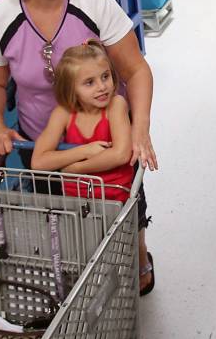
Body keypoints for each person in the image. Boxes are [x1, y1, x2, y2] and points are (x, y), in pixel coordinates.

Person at [0, 0, 158, 292]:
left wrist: (140, 129)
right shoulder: (1, 15)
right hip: (41, 139)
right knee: (59, 215)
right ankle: (79, 269)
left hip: (107, 135)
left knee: (125, 208)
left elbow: (136, 70)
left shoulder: (93, 1)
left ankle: (139, 256)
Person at [32, 40, 154, 296]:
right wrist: (84, 151)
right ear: (71, 89)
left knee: (133, 235)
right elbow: (38, 161)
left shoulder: (116, 105)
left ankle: (143, 267)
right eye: (89, 82)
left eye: (106, 76)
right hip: (78, 202)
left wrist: (73, 169)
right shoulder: (63, 114)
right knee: (84, 246)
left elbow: (120, 154)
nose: (102, 87)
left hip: (116, 197)